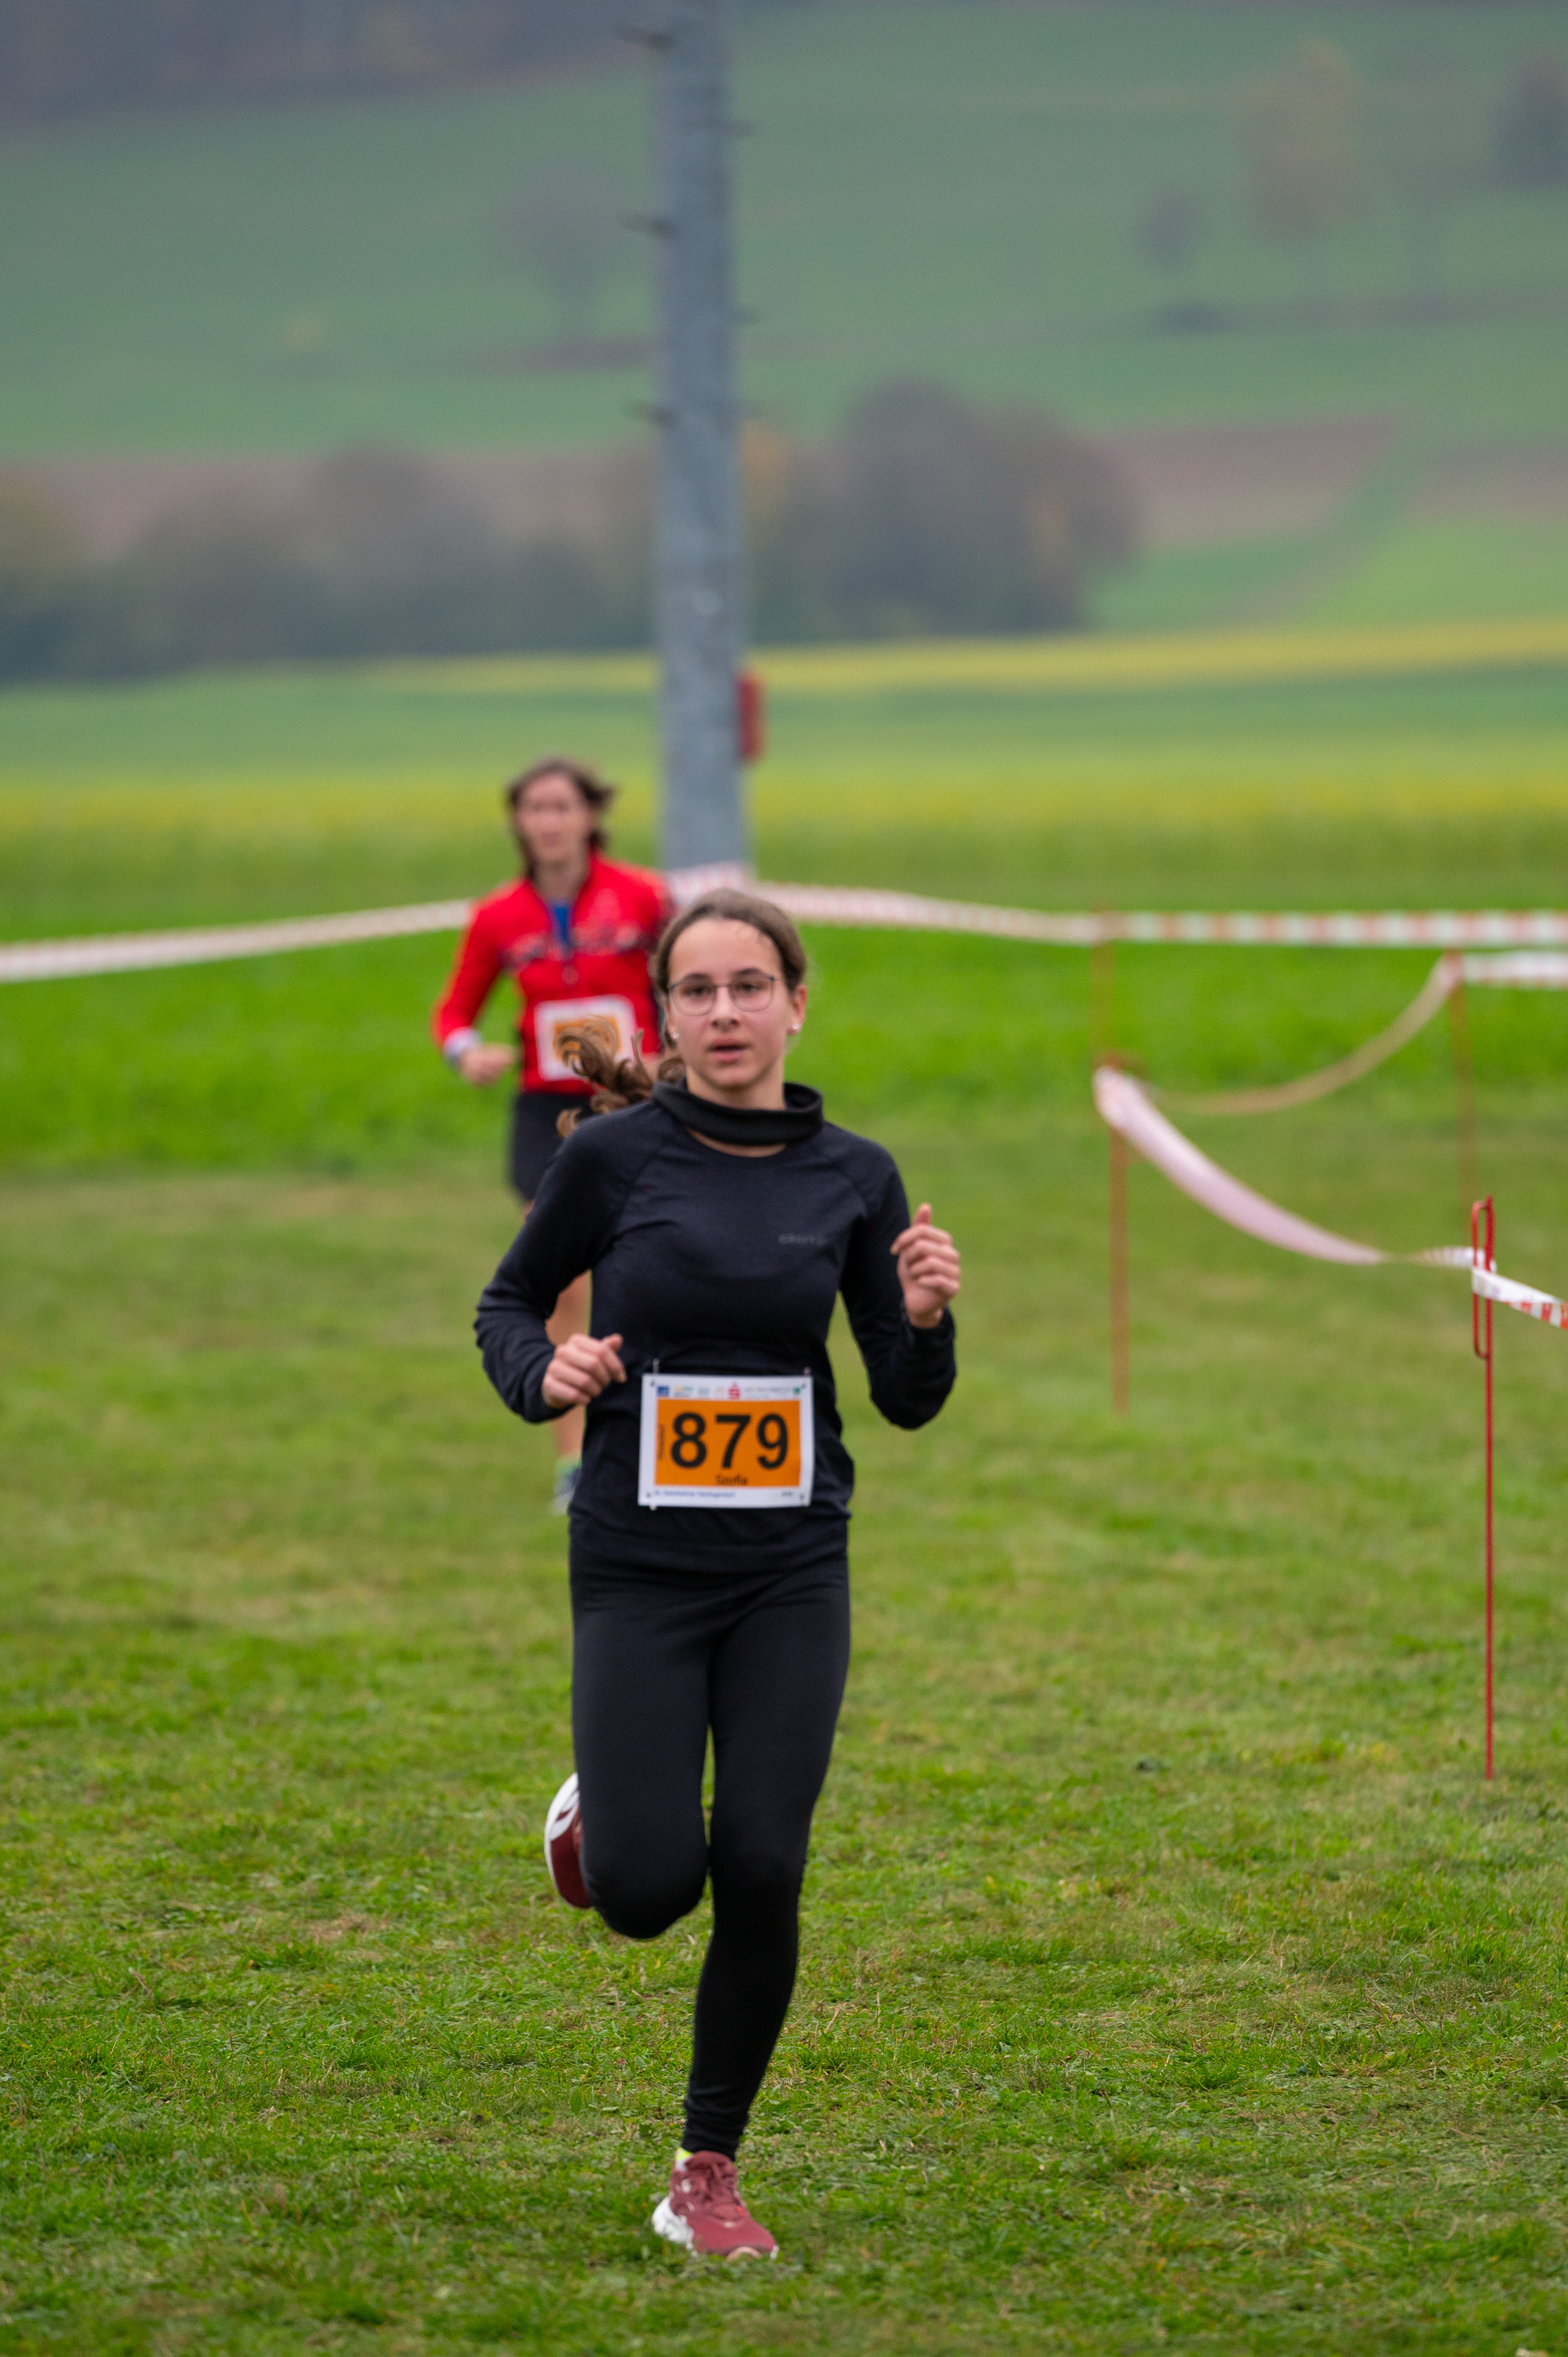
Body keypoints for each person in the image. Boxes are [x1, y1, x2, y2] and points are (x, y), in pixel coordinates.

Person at [474, 887, 961, 2260]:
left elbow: (903, 1396)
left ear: (796, 1005)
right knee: (643, 1891)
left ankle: (706, 2168)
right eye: (697, 990)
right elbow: (506, 1303)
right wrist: (543, 1371)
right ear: (666, 1014)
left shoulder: (854, 1176)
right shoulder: (611, 1161)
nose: (726, 1012)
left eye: (751, 986)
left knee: (761, 1858)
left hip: (789, 1565)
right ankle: (603, 1805)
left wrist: (924, 1318)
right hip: (637, 1563)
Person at [432, 758, 671, 1512]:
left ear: (590, 815)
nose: (548, 821)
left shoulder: (643, 897)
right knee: (561, 1277)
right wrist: (466, 1053)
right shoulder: (498, 916)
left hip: (633, 1101)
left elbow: (686, 983)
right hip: (546, 1114)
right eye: (534, 807)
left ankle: (651, 1433)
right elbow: (454, 1013)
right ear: (517, 821)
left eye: (561, 806)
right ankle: (573, 1461)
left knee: (652, 1264)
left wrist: (671, 1054)